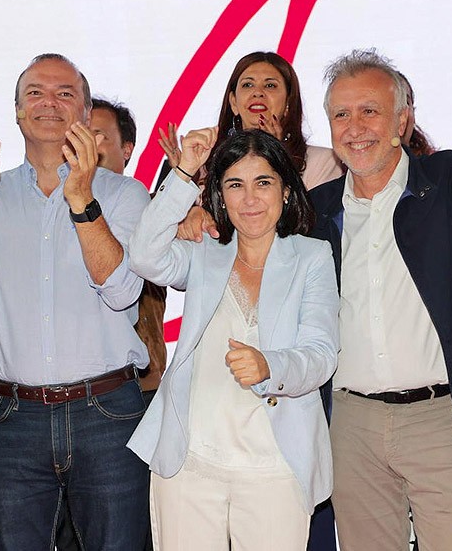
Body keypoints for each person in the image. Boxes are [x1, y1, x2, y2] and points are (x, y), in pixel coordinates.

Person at [306, 10, 452, 550]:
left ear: (403, 120)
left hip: (443, 419)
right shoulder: (314, 212)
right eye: (341, 114)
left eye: (370, 111)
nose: (355, 128)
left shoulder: (448, 181)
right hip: (351, 424)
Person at [0, 53, 152, 550]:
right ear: (15, 110)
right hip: (12, 417)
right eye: (35, 92)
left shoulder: (124, 195)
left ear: (85, 112)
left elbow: (121, 291)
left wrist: (81, 199)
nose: (48, 102)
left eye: (64, 93)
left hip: (108, 412)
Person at [128, 127, 339, 550]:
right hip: (190, 462)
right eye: (235, 185)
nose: (250, 199)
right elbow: (144, 255)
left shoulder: (312, 257)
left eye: (263, 182)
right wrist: (184, 172)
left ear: (285, 190)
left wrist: (270, 366)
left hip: (275, 465)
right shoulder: (206, 251)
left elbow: (321, 354)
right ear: (220, 196)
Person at [159, 51, 343, 192]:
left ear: (288, 103)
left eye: (270, 85)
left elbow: (307, 226)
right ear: (234, 103)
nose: (258, 92)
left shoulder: (323, 162)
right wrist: (182, 177)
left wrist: (275, 156)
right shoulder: (202, 163)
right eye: (248, 84)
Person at [91, 97, 167, 398]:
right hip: (72, 383)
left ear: (127, 148)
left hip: (141, 380)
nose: (89, 143)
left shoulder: (153, 208)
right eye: (81, 132)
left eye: (100, 135)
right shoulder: (50, 211)